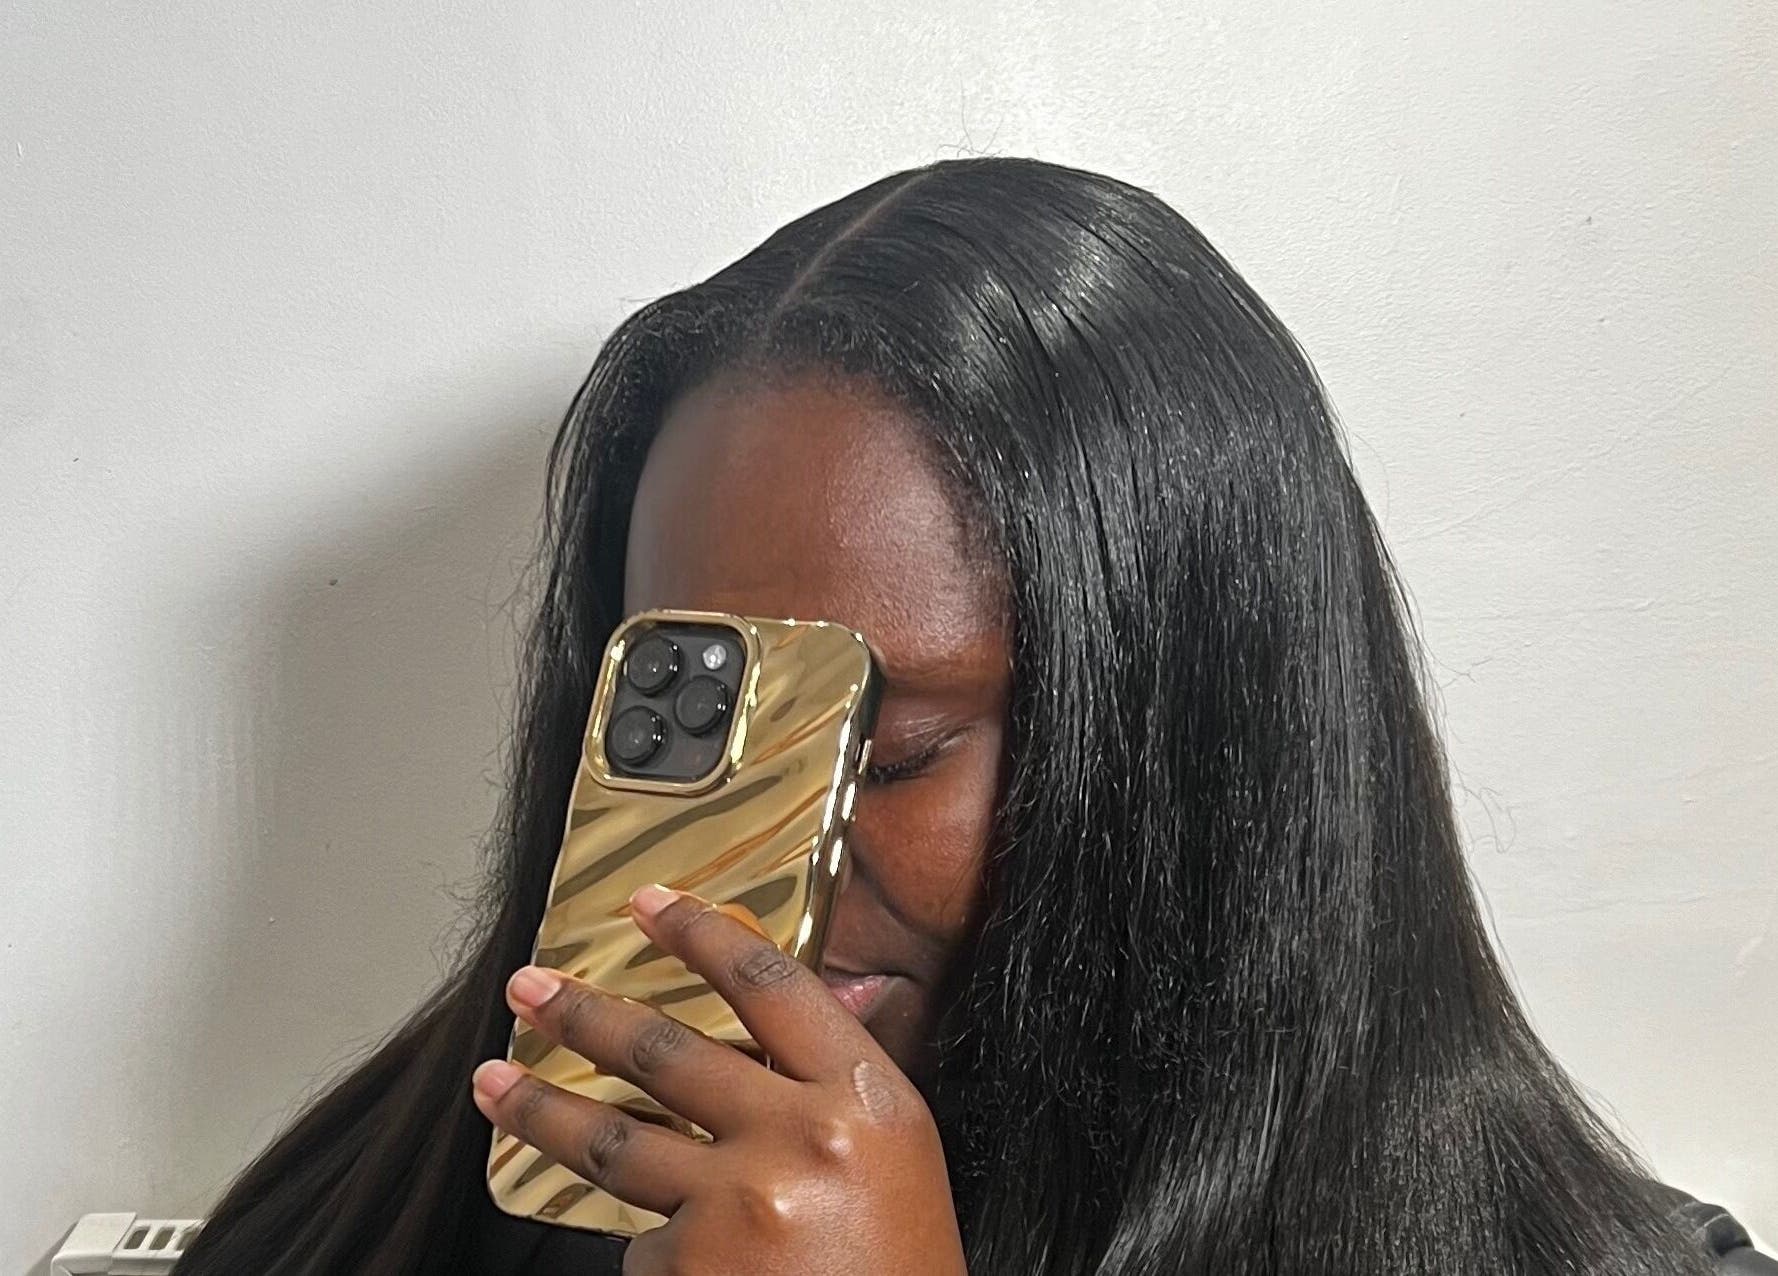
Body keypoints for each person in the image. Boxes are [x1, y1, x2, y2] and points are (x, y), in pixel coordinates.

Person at [172, 158, 1770, 1275]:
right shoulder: (355, 1224)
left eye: (903, 745)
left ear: (1215, 748)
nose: (728, 868)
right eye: (689, 714)